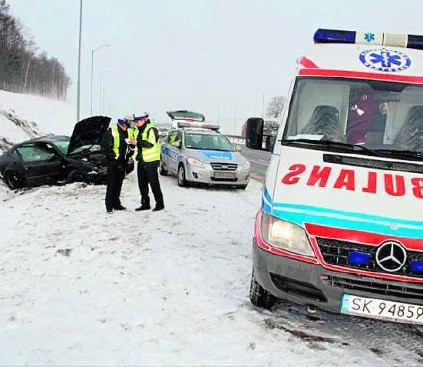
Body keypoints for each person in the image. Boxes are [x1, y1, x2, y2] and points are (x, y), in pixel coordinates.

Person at [132, 113, 165, 212]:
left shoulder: (151, 130)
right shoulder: (137, 130)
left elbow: (150, 144)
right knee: (142, 184)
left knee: (154, 183)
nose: (136, 124)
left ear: (144, 120)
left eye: (138, 122)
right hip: (142, 160)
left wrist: (137, 142)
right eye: (135, 122)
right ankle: (145, 203)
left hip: (151, 161)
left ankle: (160, 204)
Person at [101, 117, 134, 214]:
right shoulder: (111, 132)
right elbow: (105, 147)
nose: (127, 127)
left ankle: (117, 204)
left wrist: (131, 150)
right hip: (113, 163)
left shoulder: (128, 132)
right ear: (121, 124)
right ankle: (109, 206)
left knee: (118, 184)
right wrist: (113, 158)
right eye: (126, 125)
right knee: (112, 184)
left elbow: (130, 147)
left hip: (123, 162)